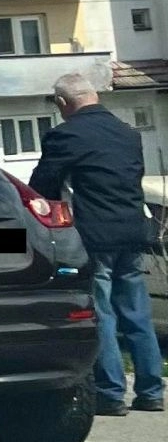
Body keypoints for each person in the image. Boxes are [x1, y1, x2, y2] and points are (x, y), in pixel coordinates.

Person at [31, 72, 163, 415]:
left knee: (101, 315)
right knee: (137, 314)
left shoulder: (66, 135)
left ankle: (111, 393)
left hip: (94, 237)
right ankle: (151, 391)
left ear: (63, 102)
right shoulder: (128, 133)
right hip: (132, 233)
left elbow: (43, 186)